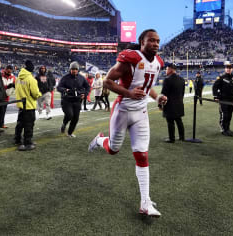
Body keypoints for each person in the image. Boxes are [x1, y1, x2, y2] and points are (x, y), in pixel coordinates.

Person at [88, 29, 167, 217]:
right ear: (142, 41)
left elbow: (148, 87)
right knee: (113, 149)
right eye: (151, 40)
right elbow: (107, 82)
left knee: (142, 155)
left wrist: (157, 98)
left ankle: (145, 202)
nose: (155, 44)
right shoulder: (130, 58)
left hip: (140, 113)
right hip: (122, 110)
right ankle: (100, 140)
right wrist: (130, 93)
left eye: (158, 41)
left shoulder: (158, 63)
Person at [57, 62, 90, 138]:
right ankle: (64, 124)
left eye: (75, 69)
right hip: (67, 100)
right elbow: (59, 87)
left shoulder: (82, 78)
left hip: (77, 101)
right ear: (70, 69)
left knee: (75, 118)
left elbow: (88, 87)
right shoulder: (65, 77)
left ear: (78, 70)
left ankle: (70, 133)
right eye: (72, 69)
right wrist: (65, 90)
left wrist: (85, 94)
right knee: (69, 115)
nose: (74, 71)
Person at [14, 60, 42, 151]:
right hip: (29, 105)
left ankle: (17, 139)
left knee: (20, 123)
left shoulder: (18, 77)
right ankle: (27, 143)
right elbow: (35, 93)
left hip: (21, 105)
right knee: (29, 124)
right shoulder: (31, 79)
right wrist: (39, 94)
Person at [212, 62, 233, 136]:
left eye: (230, 68)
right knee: (224, 115)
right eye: (227, 68)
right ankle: (223, 129)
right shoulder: (221, 77)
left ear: (232, 69)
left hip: (232, 100)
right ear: (225, 69)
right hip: (223, 100)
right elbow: (215, 87)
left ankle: (227, 129)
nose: (228, 69)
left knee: (229, 115)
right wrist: (215, 96)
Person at [161, 63, 185, 143]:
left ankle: (172, 138)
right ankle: (182, 137)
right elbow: (183, 93)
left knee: (170, 122)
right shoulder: (182, 79)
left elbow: (163, 94)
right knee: (179, 121)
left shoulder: (167, 79)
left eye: (167, 69)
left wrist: (160, 104)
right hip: (179, 103)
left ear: (171, 69)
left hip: (170, 104)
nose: (166, 70)